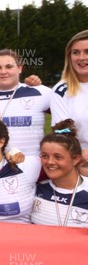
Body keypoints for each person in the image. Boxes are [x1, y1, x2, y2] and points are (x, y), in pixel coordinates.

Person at [0, 49, 52, 156]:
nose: (3, 72)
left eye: (9, 67)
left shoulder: (40, 92)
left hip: (32, 165)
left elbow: (67, 119)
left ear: (19, 68)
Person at [30, 119, 88, 227]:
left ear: (75, 159)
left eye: (58, 157)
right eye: (45, 156)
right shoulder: (35, 189)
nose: (50, 162)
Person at [51, 30, 88, 165]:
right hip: (80, 162)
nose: (81, 58)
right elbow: (61, 132)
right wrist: (80, 152)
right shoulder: (61, 90)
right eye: (76, 52)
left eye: (87, 52)